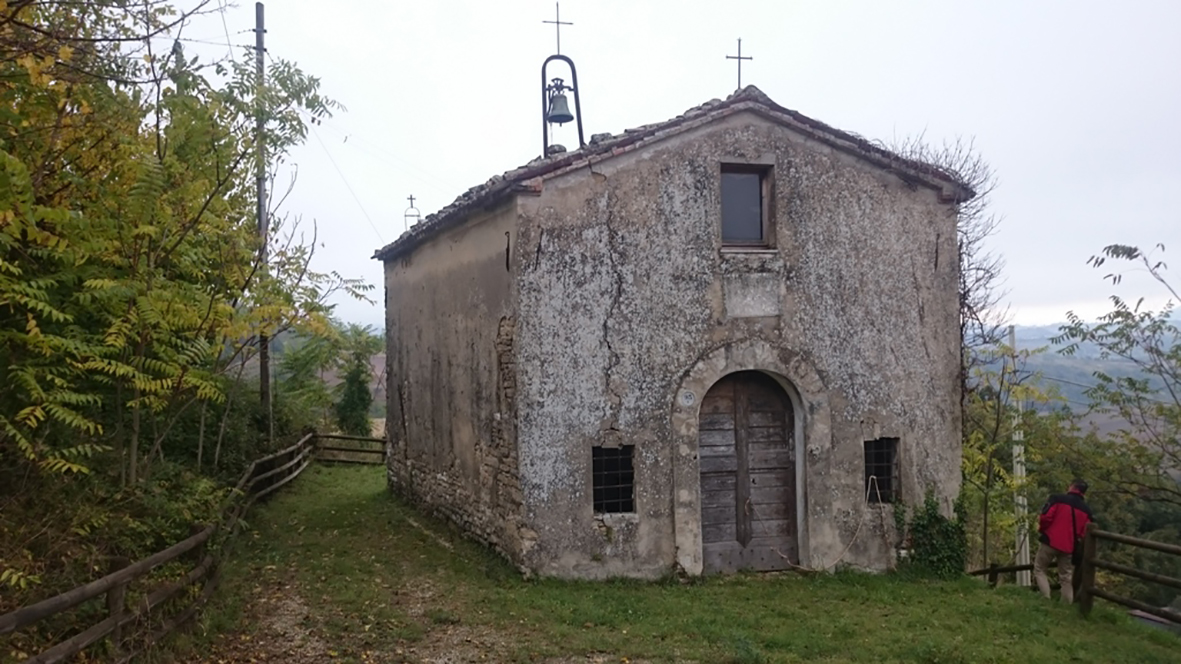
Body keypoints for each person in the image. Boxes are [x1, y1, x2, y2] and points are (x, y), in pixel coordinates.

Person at [1034, 479, 1094, 603]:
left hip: (1050, 540)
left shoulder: (1057, 499)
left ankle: (1046, 598)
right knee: (1066, 577)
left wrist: (1043, 530)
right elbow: (1085, 533)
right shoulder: (1086, 510)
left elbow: (1046, 517)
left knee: (1040, 569)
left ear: (1071, 487)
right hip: (1069, 546)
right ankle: (1066, 605)